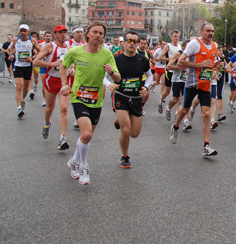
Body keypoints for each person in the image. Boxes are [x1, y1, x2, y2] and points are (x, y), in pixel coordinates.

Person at [60, 22, 120, 185]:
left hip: (96, 99)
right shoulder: (75, 51)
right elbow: (63, 66)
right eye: (95, 32)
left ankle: (73, 161)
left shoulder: (107, 54)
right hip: (79, 97)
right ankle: (83, 167)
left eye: (101, 33)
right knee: (86, 134)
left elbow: (118, 78)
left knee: (86, 136)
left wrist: (111, 72)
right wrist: (65, 84)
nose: (98, 36)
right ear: (88, 34)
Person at [169, 22, 223, 157]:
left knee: (205, 114)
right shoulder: (194, 44)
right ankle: (175, 126)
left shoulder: (215, 46)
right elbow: (181, 62)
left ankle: (206, 146)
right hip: (192, 83)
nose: (211, 33)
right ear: (201, 32)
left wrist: (215, 66)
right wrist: (199, 64)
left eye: (212, 31)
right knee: (185, 109)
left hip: (206, 83)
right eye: (208, 31)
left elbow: (210, 64)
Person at [105, 31, 152, 169]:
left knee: (134, 133)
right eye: (129, 41)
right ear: (123, 43)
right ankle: (125, 156)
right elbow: (104, 76)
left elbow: (149, 76)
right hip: (121, 96)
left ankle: (121, 120)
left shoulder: (142, 60)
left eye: (134, 41)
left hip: (136, 98)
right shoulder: (116, 60)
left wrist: (146, 87)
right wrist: (109, 85)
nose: (132, 44)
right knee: (125, 130)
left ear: (137, 44)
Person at [32, 25, 71, 150]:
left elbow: (74, 62)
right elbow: (36, 61)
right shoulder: (50, 46)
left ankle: (62, 138)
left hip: (64, 81)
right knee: (50, 107)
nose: (63, 34)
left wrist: (73, 69)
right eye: (60, 33)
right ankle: (46, 123)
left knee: (64, 108)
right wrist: (52, 64)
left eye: (65, 32)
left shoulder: (70, 47)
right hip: (51, 79)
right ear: (55, 34)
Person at [7, 24, 40, 118]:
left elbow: (40, 51)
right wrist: (11, 54)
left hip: (28, 66)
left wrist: (33, 58)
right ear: (19, 32)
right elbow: (11, 48)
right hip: (18, 65)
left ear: (28, 32)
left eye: (25, 31)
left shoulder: (32, 40)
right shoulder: (15, 40)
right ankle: (18, 108)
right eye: (21, 30)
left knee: (25, 88)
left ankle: (23, 100)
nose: (23, 32)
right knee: (19, 87)